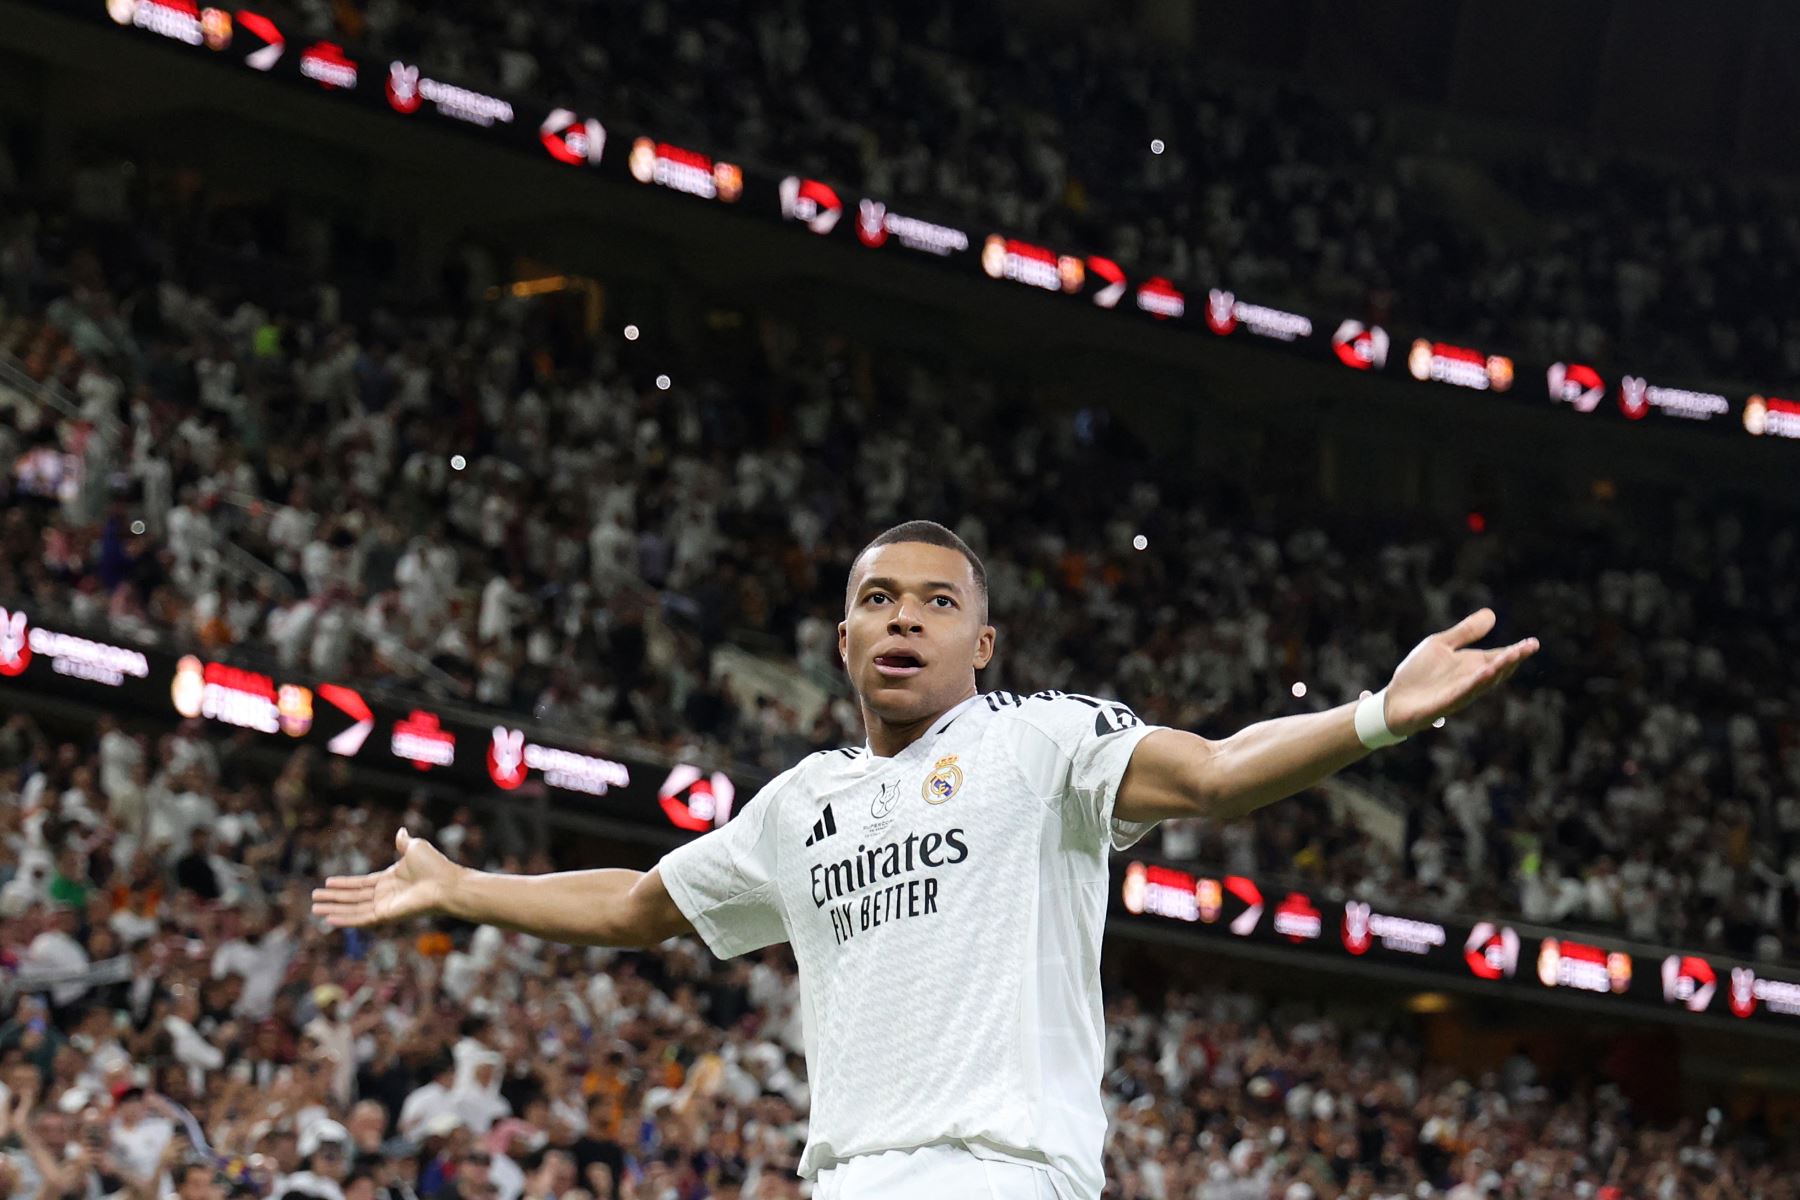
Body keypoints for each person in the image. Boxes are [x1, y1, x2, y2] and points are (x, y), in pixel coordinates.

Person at [314, 521, 1539, 1199]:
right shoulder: (801, 806)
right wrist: (464, 887)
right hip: (846, 1178)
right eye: (882, 599)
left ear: (983, 641)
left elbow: (1218, 770)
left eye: (938, 603)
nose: (907, 617)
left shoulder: (1041, 742)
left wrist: (1379, 713)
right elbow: (641, 906)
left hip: (995, 1177)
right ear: (843, 637)